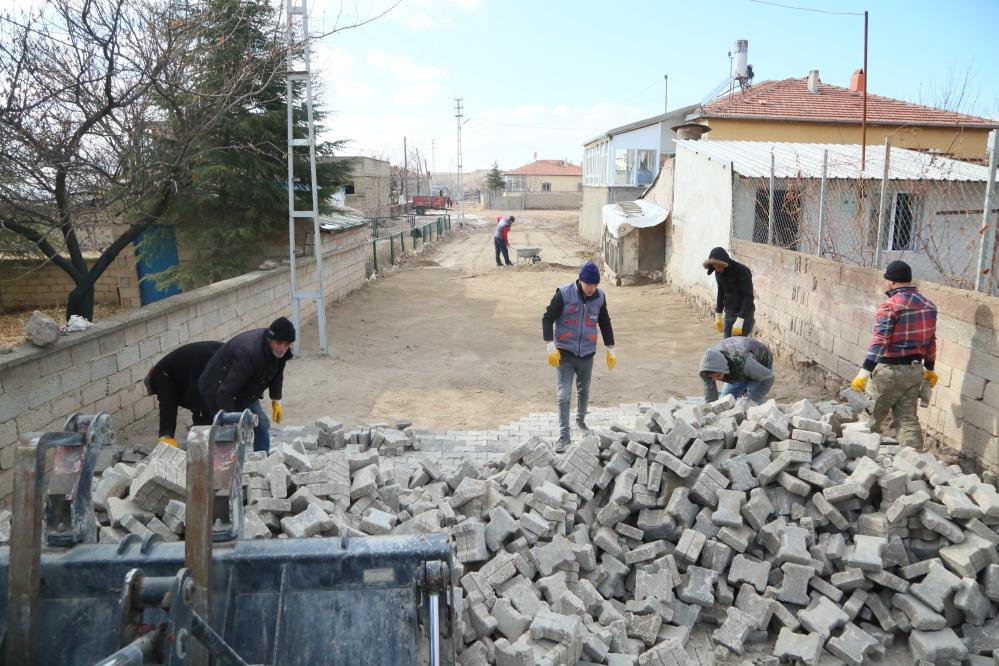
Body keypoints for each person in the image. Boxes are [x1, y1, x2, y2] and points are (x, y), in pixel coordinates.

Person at [850, 260, 938, 449]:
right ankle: (915, 463)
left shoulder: (890, 306)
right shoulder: (929, 305)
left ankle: (857, 461)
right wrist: (930, 369)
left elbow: (880, 341)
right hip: (914, 371)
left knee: (870, 418)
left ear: (891, 282)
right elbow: (931, 341)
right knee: (908, 420)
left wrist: (864, 372)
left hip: (888, 372)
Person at [543, 260, 616, 452]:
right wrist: (549, 343)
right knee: (563, 395)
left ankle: (581, 422)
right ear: (580, 280)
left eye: (595, 284)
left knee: (584, 391)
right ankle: (564, 436)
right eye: (589, 284)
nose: (592, 288)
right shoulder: (564, 294)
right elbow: (548, 317)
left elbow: (605, 321)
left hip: (587, 354)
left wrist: (611, 346)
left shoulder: (600, 297)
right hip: (564, 354)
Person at [198, 317, 296, 453]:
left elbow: (277, 372)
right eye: (279, 343)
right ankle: (224, 467)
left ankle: (261, 461)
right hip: (216, 387)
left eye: (287, 344)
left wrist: (276, 400)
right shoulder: (249, 353)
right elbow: (225, 392)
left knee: (262, 424)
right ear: (269, 339)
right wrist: (231, 423)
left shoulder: (280, 352)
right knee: (227, 434)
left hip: (244, 387)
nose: (282, 348)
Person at [144, 340, 224, 447]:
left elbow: (167, 406)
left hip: (206, 360)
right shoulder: (173, 368)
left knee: (201, 409)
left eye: (157, 393)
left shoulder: (161, 374)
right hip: (218, 353)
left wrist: (166, 436)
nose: (159, 397)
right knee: (206, 406)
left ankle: (203, 446)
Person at [699, 337, 774, 404]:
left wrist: (753, 401)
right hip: (735, 368)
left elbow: (769, 378)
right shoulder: (707, 369)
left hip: (759, 365)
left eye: (718, 375)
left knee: (751, 405)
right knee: (724, 402)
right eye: (713, 377)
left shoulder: (747, 364)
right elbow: (711, 399)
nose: (716, 379)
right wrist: (711, 410)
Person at [703, 246, 755, 338]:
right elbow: (721, 292)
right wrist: (718, 313)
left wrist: (741, 319)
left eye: (719, 266)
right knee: (727, 343)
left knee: (737, 346)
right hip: (729, 312)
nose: (717, 270)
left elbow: (748, 297)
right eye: (715, 268)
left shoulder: (742, 271)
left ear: (725, 263)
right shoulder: (718, 273)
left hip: (744, 313)